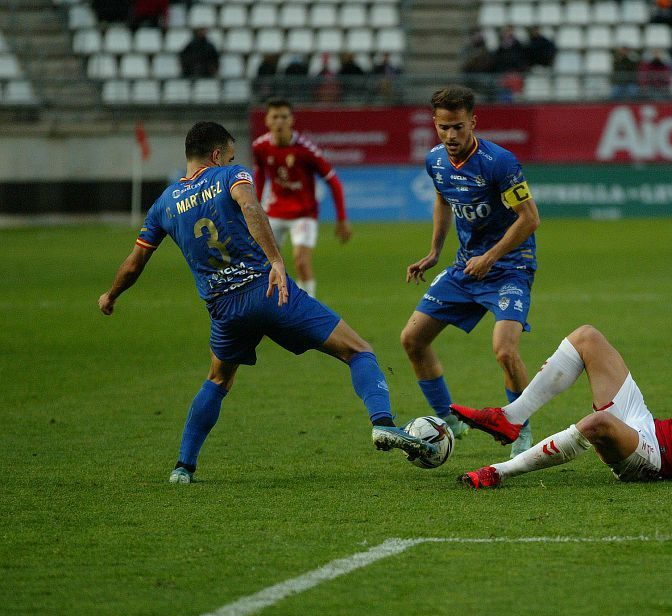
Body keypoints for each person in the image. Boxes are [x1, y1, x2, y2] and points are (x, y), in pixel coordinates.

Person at [98, 122, 435, 483]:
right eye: (228, 154)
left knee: (218, 379)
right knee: (358, 351)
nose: (231, 159)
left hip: (224, 311)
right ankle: (383, 422)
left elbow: (135, 262)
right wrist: (276, 259)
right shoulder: (230, 175)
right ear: (216, 156)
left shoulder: (164, 204)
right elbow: (251, 207)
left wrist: (111, 294)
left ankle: (183, 466)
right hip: (270, 292)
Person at [452, 325, 672, 490]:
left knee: (598, 423)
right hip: (647, 425)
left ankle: (498, 471)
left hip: (652, 458)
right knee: (587, 338)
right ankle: (511, 418)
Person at [402, 85, 541, 457]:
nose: (450, 136)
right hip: (467, 266)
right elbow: (442, 201)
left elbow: (530, 219)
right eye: (444, 127)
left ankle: (521, 430)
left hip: (510, 266)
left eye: (458, 127)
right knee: (412, 339)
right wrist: (434, 251)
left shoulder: (500, 162)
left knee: (504, 351)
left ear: (473, 123)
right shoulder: (435, 161)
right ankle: (448, 420)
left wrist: (492, 256)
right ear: (435, 123)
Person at [251, 100, 352, 298]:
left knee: (301, 261)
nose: (279, 121)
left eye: (284, 117)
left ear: (291, 120)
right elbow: (260, 177)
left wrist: (341, 218)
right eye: (275, 116)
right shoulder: (260, 147)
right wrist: (257, 208)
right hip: (274, 211)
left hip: (303, 213)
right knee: (264, 261)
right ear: (267, 121)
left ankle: (308, 308)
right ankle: (268, 305)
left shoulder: (307, 150)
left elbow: (334, 182)